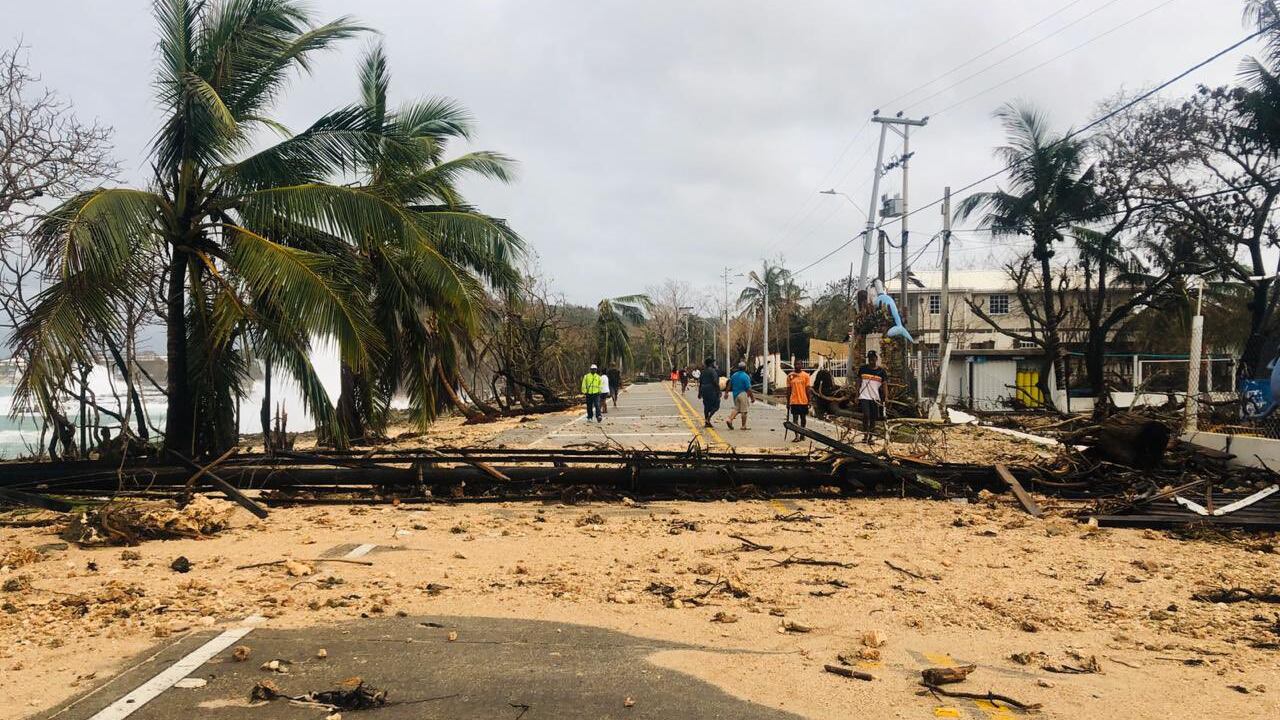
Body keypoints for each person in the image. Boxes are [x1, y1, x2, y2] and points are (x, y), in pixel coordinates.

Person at [856, 351, 888, 444]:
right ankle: (865, 434)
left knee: (874, 417)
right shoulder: (863, 369)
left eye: (873, 359)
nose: (871, 361)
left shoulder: (881, 372)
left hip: (875, 397)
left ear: (876, 359)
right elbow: (858, 382)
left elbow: (885, 385)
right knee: (866, 415)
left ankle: (871, 436)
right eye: (869, 359)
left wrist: (886, 396)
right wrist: (856, 395)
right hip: (864, 396)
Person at [723, 362, 754, 430]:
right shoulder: (746, 376)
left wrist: (726, 393)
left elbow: (729, 385)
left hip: (735, 394)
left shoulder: (734, 375)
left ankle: (729, 419)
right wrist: (752, 397)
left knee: (737, 408)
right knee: (744, 411)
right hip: (743, 394)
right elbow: (749, 388)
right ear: (745, 368)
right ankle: (743, 426)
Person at [786, 365, 811, 439]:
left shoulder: (806, 376)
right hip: (794, 401)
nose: (797, 366)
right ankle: (796, 436)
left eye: (799, 364)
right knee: (795, 419)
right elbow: (788, 390)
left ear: (801, 366)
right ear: (794, 365)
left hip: (803, 401)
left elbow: (808, 389)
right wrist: (788, 402)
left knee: (803, 419)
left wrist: (809, 401)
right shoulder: (790, 376)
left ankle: (802, 434)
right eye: (796, 364)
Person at [698, 358, 721, 427]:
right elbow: (715, 381)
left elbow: (700, 382)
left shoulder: (703, 371)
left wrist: (699, 393)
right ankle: (708, 418)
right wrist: (718, 390)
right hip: (711, 389)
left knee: (706, 405)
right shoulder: (713, 371)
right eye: (713, 363)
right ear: (711, 363)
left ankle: (707, 422)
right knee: (716, 405)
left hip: (703, 389)